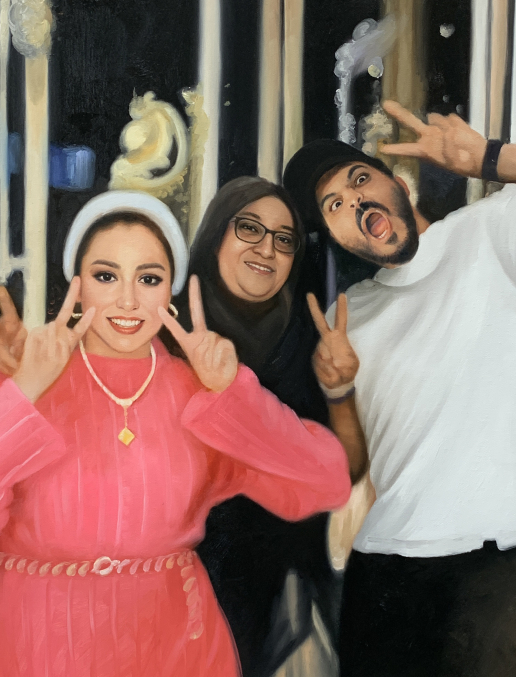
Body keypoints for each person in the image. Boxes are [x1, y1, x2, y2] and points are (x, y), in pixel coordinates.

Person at [0, 190, 351, 677]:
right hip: (40, 645)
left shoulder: (196, 387)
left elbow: (326, 482)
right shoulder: (24, 376)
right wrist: (27, 387)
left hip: (179, 646)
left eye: (150, 279)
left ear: (171, 288)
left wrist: (235, 394)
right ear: (77, 283)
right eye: (106, 276)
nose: (129, 300)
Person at [282, 100, 516, 677]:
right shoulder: (348, 315)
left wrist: (489, 157)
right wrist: (338, 392)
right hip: (381, 566)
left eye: (360, 180)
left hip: (495, 566)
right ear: (329, 233)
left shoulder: (491, 236)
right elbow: (356, 466)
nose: (354, 201)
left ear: (396, 182)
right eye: (333, 204)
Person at [178, 177, 363, 677]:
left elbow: (342, 473)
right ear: (217, 232)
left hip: (287, 592)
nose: (267, 248)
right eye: (249, 228)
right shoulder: (168, 333)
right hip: (181, 585)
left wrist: (340, 392)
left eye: (285, 239)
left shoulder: (309, 342)